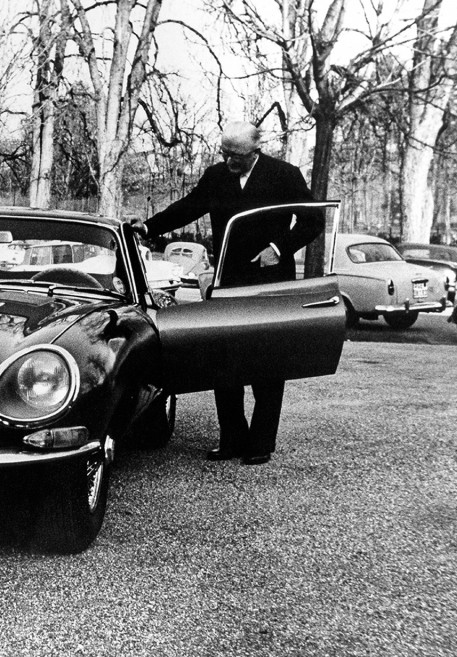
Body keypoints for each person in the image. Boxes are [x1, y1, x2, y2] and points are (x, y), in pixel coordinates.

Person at [132, 121, 323, 465]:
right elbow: (189, 207)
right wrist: (149, 227)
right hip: (227, 279)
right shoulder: (217, 175)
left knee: (267, 360)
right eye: (224, 152)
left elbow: (313, 222)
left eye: (235, 154)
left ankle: (260, 442)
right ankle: (231, 438)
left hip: (270, 282)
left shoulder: (285, 175)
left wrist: (279, 249)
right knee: (224, 357)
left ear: (255, 151)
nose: (228, 159)